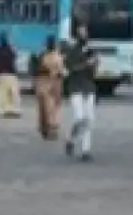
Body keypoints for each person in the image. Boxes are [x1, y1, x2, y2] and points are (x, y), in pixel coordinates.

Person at [62, 22, 99, 161]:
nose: (84, 35)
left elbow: (94, 72)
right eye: (81, 32)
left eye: (86, 32)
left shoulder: (91, 51)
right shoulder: (72, 51)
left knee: (89, 120)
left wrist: (95, 64)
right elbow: (69, 70)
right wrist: (86, 65)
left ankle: (86, 150)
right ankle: (71, 139)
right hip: (75, 87)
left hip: (89, 88)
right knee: (79, 117)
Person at [35, 35, 65, 141]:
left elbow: (37, 70)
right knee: (52, 107)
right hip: (53, 83)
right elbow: (62, 72)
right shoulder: (59, 56)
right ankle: (51, 128)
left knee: (46, 107)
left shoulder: (43, 56)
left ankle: (48, 128)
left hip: (46, 83)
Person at [0, 34, 21, 118]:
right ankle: (14, 109)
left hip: (1, 74)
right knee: (13, 93)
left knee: (2, 93)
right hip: (11, 74)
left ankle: (3, 110)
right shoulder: (11, 50)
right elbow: (15, 60)